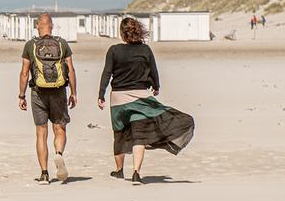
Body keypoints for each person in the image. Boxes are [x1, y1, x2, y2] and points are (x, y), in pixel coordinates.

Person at [98, 17, 195, 184]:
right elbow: (153, 71)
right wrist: (156, 87)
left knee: (119, 134)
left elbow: (107, 73)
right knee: (139, 137)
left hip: (118, 99)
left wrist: (101, 94)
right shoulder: (145, 50)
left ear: (122, 33)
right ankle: (136, 173)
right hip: (141, 98)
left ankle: (119, 170)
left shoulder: (114, 50)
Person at [17, 13, 77, 184]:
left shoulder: (30, 45)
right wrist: (73, 93)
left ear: (37, 26)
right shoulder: (61, 43)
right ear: (51, 25)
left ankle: (44, 174)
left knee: (41, 132)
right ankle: (58, 153)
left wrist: (21, 95)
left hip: (38, 92)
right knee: (60, 129)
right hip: (58, 91)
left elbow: (24, 73)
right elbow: (71, 70)